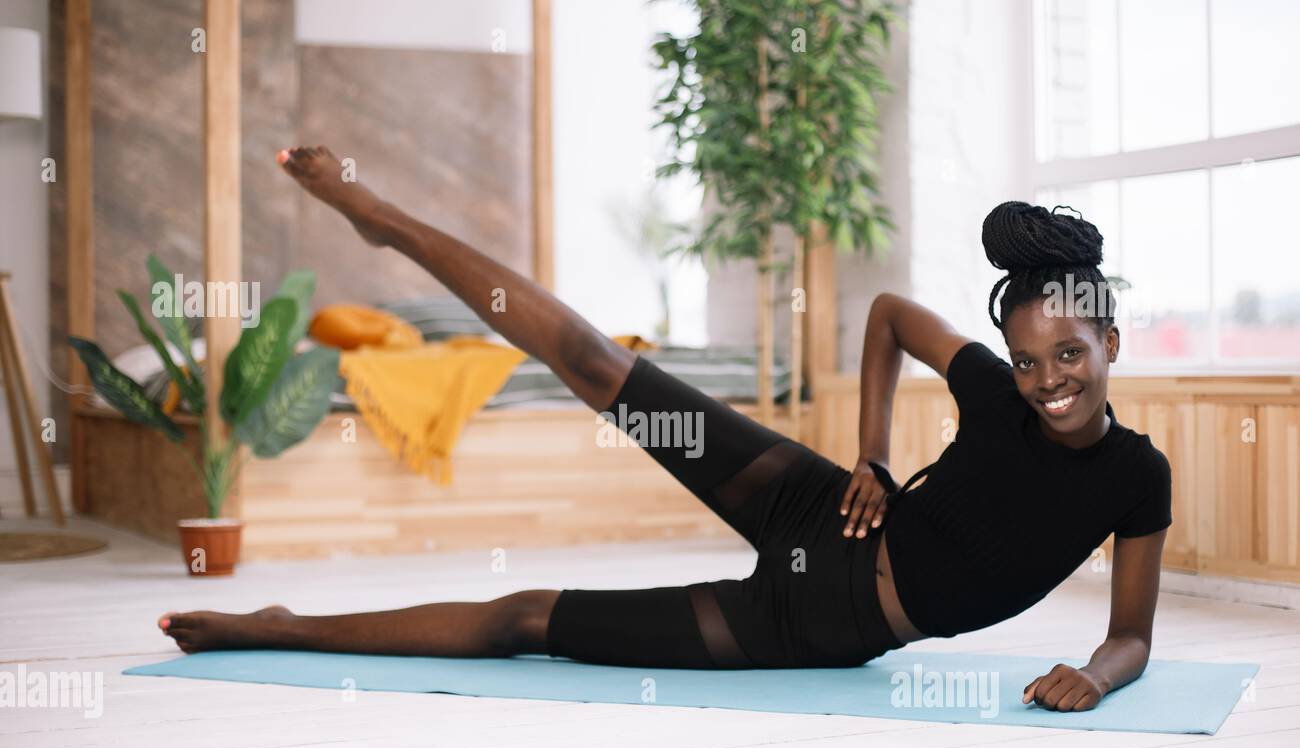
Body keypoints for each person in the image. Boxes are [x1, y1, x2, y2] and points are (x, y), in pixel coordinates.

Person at [157, 148, 1171, 713]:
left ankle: (279, 625)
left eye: (1070, 356)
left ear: (1110, 338)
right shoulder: (995, 389)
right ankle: (381, 211)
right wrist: (868, 454)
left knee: (525, 618)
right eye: (1029, 359)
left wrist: (1095, 670)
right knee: (601, 364)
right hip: (816, 502)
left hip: (812, 626)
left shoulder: (1135, 476)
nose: (1046, 382)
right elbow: (889, 315)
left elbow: (1129, 634)